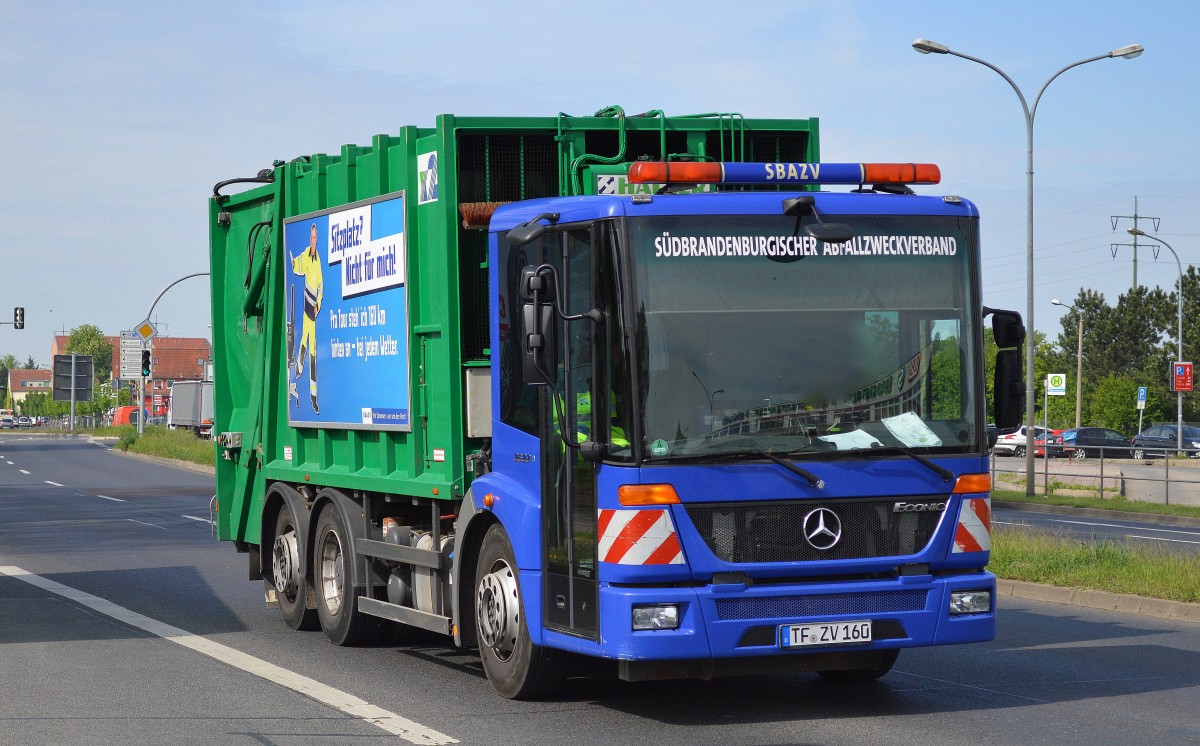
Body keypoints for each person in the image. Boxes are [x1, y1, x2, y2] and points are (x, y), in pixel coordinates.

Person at [292, 223, 323, 414]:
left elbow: (321, 285)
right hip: (305, 305)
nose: (312, 240)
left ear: (317, 239)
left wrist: (318, 302)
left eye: (314, 238)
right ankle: (299, 369)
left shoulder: (318, 261)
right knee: (306, 340)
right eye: (311, 238)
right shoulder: (307, 254)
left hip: (312, 308)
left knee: (311, 347)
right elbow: (298, 267)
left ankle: (313, 396)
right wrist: (293, 262)